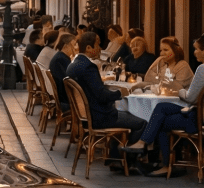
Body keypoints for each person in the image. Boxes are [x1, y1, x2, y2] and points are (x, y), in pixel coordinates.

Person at [121, 34, 204, 175]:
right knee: (161, 108)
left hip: (196, 118)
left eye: (197, 49)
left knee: (160, 120)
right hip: (194, 113)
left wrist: (181, 91)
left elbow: (190, 98)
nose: (194, 52)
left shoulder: (201, 69)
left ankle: (163, 162)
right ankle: (149, 149)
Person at [65, 31, 145, 164]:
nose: (100, 49)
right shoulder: (88, 67)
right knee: (141, 122)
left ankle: (114, 157)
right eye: (97, 45)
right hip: (100, 117)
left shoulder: (72, 65)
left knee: (124, 114)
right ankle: (127, 160)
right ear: (89, 48)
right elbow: (102, 96)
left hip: (86, 116)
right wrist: (121, 93)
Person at [48, 33, 78, 113]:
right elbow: (69, 81)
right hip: (66, 100)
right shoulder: (60, 59)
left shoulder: (61, 57)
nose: (76, 47)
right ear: (66, 46)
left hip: (64, 97)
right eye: (74, 45)